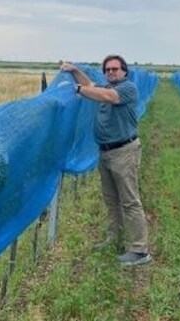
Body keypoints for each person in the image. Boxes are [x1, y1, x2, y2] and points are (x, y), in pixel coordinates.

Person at [60, 55, 152, 266]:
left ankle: (140, 250)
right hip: (106, 152)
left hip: (124, 151)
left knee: (130, 200)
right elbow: (91, 85)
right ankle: (115, 239)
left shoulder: (128, 88)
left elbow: (107, 96)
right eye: (107, 69)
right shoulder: (103, 87)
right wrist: (74, 71)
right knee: (111, 200)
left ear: (124, 72)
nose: (111, 72)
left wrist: (76, 90)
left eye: (115, 69)